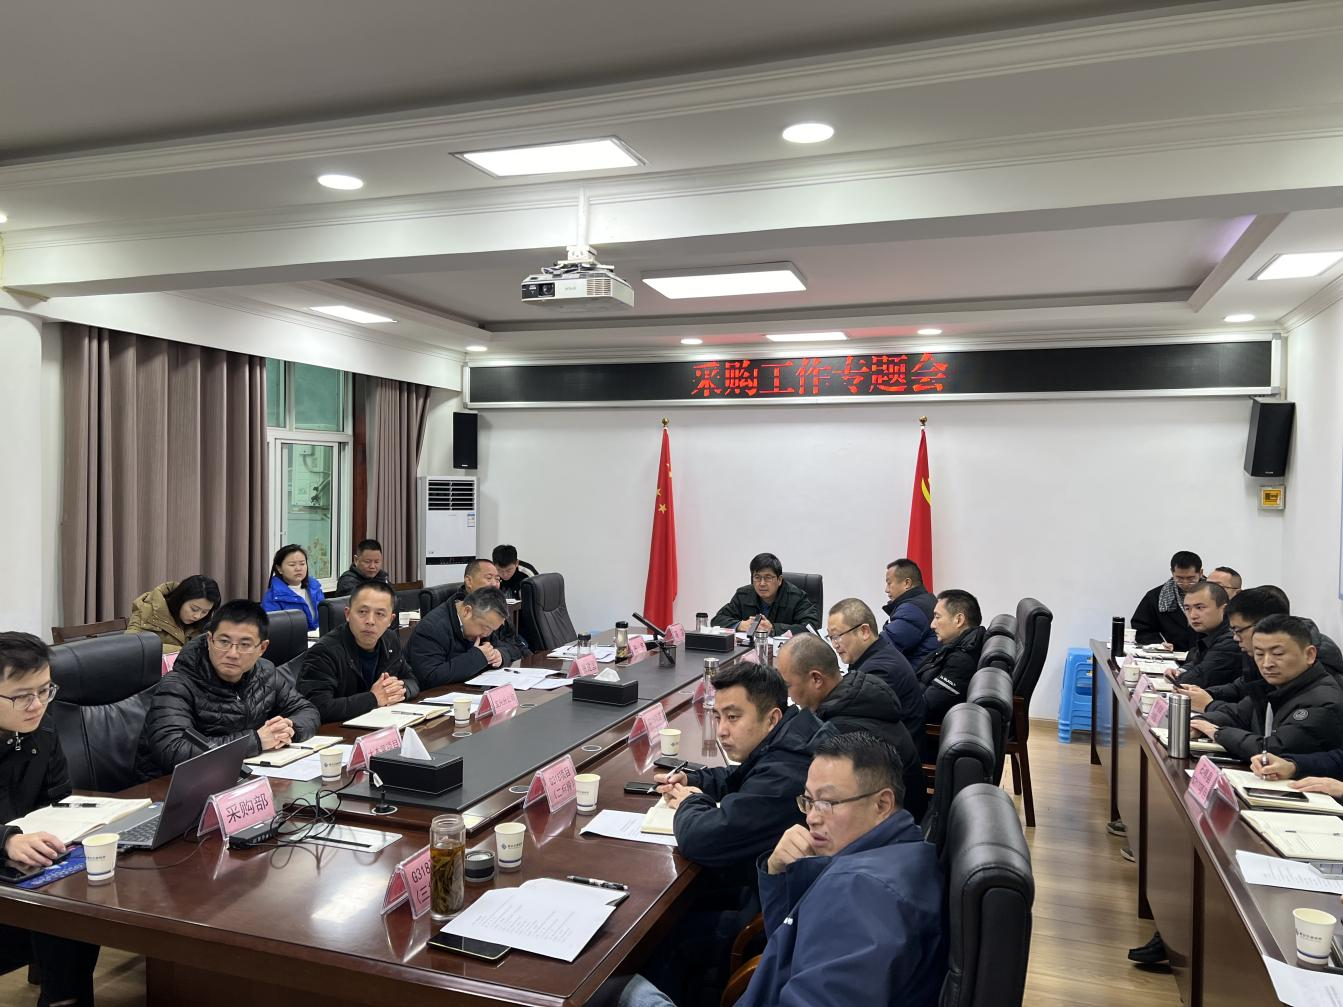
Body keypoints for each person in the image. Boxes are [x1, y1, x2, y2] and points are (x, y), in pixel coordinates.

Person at [620, 732, 945, 1007]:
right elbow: (793, 940)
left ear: (882, 804)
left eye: (828, 803)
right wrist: (777, 873)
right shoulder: (903, 852)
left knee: (620, 986)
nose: (812, 817)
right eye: (809, 801)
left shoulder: (864, 897)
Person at [645, 663, 832, 1006]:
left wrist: (691, 802)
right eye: (718, 717)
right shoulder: (788, 740)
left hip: (769, 922)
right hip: (774, 891)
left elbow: (702, 839)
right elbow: (744, 779)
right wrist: (696, 780)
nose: (721, 731)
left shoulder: (787, 770)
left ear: (772, 718)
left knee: (659, 938)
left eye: (733, 717)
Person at [0, 633, 101, 1007]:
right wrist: (6, 839)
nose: (37, 705)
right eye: (22, 696)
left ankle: (64, 999)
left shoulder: (41, 728)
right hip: (8, 855)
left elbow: (58, 799)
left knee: (81, 901)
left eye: (45, 690)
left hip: (22, 865)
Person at [136, 601, 321, 778]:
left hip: (244, 773)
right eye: (224, 642)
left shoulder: (265, 672)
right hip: (170, 785)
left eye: (245, 645)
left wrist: (287, 730)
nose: (232, 654)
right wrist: (255, 741)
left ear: (262, 648)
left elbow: (307, 710)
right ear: (210, 640)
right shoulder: (178, 684)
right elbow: (172, 749)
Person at [776, 633, 928, 822]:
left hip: (889, 830)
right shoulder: (857, 698)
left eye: (787, 686)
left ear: (816, 679)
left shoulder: (843, 733)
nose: (787, 695)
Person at [1190, 615, 1343, 763]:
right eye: (1259, 654)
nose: (1267, 663)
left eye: (1278, 654)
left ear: (1309, 655)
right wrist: (1199, 724)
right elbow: (1237, 714)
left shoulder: (1324, 702)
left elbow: (1274, 750)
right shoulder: (1275, 685)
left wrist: (1218, 733)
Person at [297, 582, 421, 723]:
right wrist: (373, 698)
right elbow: (317, 708)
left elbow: (412, 680)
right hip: (338, 731)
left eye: (380, 614)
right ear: (348, 614)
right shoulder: (324, 652)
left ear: (390, 620)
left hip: (380, 724)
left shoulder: (390, 640)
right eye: (362, 612)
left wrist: (398, 690)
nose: (370, 621)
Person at [828, 598, 927, 751]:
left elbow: (845, 725)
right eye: (831, 638)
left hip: (895, 759)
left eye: (837, 636)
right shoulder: (878, 655)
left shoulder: (879, 672)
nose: (835, 644)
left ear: (864, 631)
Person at [1176, 586, 1289, 715]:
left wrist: (1209, 705)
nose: (1235, 637)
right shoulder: (1248, 648)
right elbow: (1243, 686)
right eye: (1187, 608)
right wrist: (1207, 694)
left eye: (1238, 631)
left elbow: (1255, 714)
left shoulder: (1232, 642)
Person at [406, 586, 510, 688]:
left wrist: (499, 655)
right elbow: (429, 677)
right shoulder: (432, 628)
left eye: (493, 630)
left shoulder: (484, 623)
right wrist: (478, 657)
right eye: (486, 628)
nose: (488, 634)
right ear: (467, 611)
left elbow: (508, 647)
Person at [916, 588, 987, 729]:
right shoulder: (955, 647)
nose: (932, 625)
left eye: (937, 617)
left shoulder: (962, 661)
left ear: (959, 620)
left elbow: (926, 707)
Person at [712, 553, 820, 635]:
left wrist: (773, 629)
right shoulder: (743, 595)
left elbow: (812, 627)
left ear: (779, 580)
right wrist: (741, 625)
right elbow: (717, 620)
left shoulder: (796, 597)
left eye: (768, 578)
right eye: (757, 577)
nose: (762, 583)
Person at [449, 558, 531, 664]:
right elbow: (490, 647)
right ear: (469, 581)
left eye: (497, 579)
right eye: (489, 578)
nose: (494, 584)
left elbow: (515, 641)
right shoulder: (465, 611)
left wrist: (533, 660)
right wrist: (504, 653)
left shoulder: (495, 603)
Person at [1169, 581, 1241, 689]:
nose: (1193, 615)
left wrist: (1177, 677)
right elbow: (1196, 662)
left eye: (1200, 607)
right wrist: (1179, 671)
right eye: (1187, 609)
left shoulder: (1231, 640)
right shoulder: (1208, 632)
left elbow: (1193, 681)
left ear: (1224, 609)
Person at [126, 574, 222, 654]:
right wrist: (183, 651)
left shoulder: (206, 622)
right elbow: (131, 645)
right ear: (180, 599)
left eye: (205, 612)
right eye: (194, 609)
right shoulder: (147, 609)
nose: (197, 616)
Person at [1130, 550, 1203, 651]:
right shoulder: (1155, 597)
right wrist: (1159, 643)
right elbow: (1141, 630)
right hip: (1169, 654)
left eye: (1191, 578)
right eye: (1179, 578)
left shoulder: (1214, 596)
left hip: (1207, 655)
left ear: (1200, 573)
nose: (1185, 583)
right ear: (1172, 572)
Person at [881, 559, 939, 666]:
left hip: (916, 674)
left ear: (907, 583)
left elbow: (883, 649)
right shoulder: (924, 602)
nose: (886, 590)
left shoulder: (913, 610)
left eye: (889, 583)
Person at [261, 544, 326, 632]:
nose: (298, 568)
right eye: (292, 565)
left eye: (302, 564)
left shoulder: (315, 588)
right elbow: (274, 630)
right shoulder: (272, 598)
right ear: (279, 569)